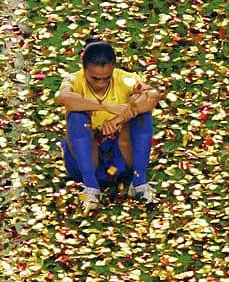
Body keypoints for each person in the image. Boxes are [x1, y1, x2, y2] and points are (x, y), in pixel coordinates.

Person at [55, 38, 164, 211]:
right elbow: (65, 98)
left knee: (141, 110)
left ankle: (138, 184)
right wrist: (104, 107)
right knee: (76, 115)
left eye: (106, 78)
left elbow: (153, 95)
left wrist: (121, 117)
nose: (101, 83)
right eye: (95, 78)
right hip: (87, 158)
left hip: (120, 156)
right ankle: (91, 188)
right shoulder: (74, 80)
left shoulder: (125, 80)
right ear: (83, 69)